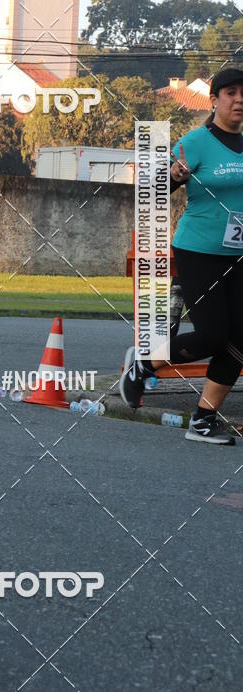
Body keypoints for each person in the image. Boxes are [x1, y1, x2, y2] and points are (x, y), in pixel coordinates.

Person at [120, 67, 243, 444]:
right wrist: (174, 175)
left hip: (239, 255)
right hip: (198, 251)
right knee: (211, 335)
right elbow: (151, 191)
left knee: (239, 341)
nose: (239, 100)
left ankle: (203, 420)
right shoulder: (197, 141)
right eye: (231, 93)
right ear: (215, 100)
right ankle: (143, 363)